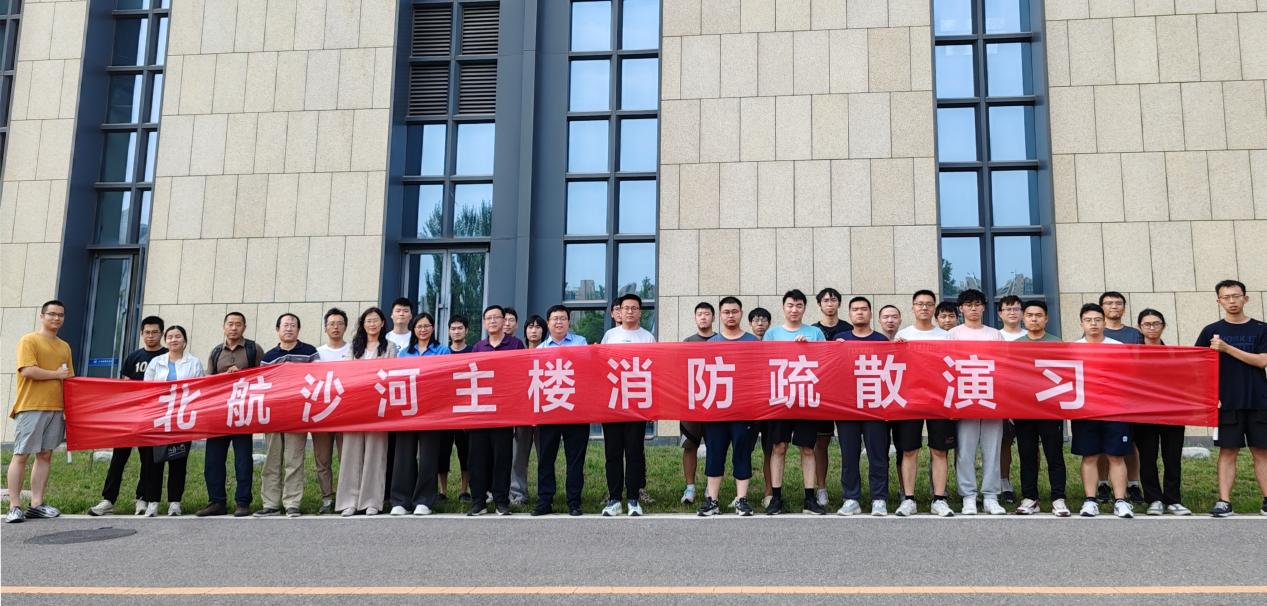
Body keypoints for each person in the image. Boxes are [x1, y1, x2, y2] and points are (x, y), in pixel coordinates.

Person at [1196, 280, 1267, 517]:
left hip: (1259, 400)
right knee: (1227, 451)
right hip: (1226, 402)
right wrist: (1209, 396)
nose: (1232, 301)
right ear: (1219, 301)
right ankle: (1224, 502)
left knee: (1262, 451)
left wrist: (1227, 349)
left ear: (1245, 298)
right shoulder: (1210, 331)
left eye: (1236, 296)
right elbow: (1198, 366)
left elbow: (1262, 361)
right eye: (1226, 297)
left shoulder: (1261, 328)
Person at [89, 316, 166, 517]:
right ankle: (108, 499)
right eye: (147, 332)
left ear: (161, 334)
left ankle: (143, 498)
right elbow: (125, 384)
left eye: (155, 332)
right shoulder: (133, 357)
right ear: (141, 334)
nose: (151, 336)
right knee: (118, 458)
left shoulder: (166, 357)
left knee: (148, 460)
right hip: (130, 416)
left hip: (153, 416)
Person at [761, 289, 827, 515]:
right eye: (790, 305)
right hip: (780, 399)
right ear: (783, 307)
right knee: (778, 447)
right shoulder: (772, 334)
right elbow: (765, 362)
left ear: (805, 308)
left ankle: (809, 498)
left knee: (807, 448)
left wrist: (808, 349)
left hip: (806, 398)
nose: (794, 310)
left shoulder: (815, 333)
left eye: (799, 305)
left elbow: (826, 361)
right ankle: (776, 497)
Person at [6, 300, 73, 523]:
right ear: (42, 316)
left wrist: (69, 408)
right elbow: (28, 370)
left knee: (45, 455)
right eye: (52, 314)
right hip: (31, 406)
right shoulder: (29, 340)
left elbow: (69, 379)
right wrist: (56, 374)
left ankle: (36, 504)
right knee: (21, 455)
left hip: (56, 407)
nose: (56, 318)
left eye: (60, 315)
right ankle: (14, 506)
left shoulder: (64, 346)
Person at [892, 290, 955, 517]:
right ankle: (909, 498)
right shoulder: (903, 335)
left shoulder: (946, 336)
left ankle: (939, 499)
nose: (924, 308)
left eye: (929, 304)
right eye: (920, 304)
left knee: (939, 450)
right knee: (909, 450)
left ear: (934, 308)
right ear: (913, 307)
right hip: (910, 399)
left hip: (940, 398)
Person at [947, 289, 1007, 515]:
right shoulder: (953, 334)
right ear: (961, 308)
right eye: (968, 305)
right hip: (964, 397)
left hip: (991, 397)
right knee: (965, 449)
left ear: (983, 307)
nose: (973, 308)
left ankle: (991, 495)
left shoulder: (995, 334)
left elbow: (1004, 366)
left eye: (977, 304)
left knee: (992, 448)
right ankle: (968, 496)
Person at [1071, 303, 1133, 518]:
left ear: (1104, 322)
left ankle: (1121, 501)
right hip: (1085, 410)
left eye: (1097, 320)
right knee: (1089, 456)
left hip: (1115, 410)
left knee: (1116, 456)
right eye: (1088, 320)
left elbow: (1128, 378)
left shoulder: (1117, 347)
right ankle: (1090, 500)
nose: (1093, 324)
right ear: (1081, 323)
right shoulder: (1073, 348)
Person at [698, 296, 759, 517]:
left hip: (744, 410)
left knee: (742, 453)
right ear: (720, 315)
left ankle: (742, 500)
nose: (730, 315)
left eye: (734, 311)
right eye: (726, 312)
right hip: (717, 411)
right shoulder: (711, 344)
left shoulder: (753, 342)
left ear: (741, 313)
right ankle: (712, 501)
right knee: (715, 453)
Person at [196, 311, 261, 517]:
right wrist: (225, 377)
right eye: (230, 324)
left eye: (238, 324)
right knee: (213, 460)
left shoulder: (253, 349)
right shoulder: (216, 352)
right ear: (224, 327)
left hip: (243, 412)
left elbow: (263, 377)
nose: (234, 328)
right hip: (218, 413)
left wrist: (242, 376)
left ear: (244, 327)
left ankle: (243, 502)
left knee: (243, 460)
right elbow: (208, 381)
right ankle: (216, 501)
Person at [256, 313, 319, 518]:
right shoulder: (269, 356)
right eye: (285, 325)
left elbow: (318, 378)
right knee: (271, 461)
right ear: (278, 330)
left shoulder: (309, 352)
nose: (289, 328)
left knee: (294, 460)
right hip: (274, 415)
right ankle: (270, 504)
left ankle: (292, 503)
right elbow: (262, 385)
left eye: (293, 325)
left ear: (298, 330)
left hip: (298, 414)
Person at [337, 307, 398, 516]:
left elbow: (392, 373)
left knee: (376, 453)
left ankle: (372, 501)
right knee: (350, 453)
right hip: (355, 406)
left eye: (375, 320)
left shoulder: (390, 347)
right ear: (363, 325)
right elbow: (346, 373)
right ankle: (349, 501)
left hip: (379, 407)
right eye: (368, 321)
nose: (372, 324)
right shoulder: (353, 347)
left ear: (382, 324)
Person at [834, 296, 891, 516]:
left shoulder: (881, 340)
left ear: (870, 313)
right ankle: (851, 498)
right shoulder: (840, 340)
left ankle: (879, 498)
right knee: (849, 454)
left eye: (864, 309)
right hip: (846, 406)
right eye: (855, 309)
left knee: (878, 454)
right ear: (849, 314)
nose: (860, 312)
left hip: (874, 405)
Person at [600, 293, 656, 517]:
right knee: (612, 453)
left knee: (634, 452)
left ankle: (633, 498)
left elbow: (654, 370)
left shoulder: (647, 337)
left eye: (634, 308)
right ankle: (614, 499)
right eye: (626, 308)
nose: (630, 311)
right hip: (612, 402)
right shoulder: (610, 335)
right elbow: (600, 366)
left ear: (640, 312)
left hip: (636, 403)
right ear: (619, 312)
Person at [1012, 300, 1069, 516]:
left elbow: (1066, 375)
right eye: (1029, 315)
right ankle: (1030, 498)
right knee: (1027, 454)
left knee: (1054, 454)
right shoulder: (1015, 345)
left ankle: (1058, 498)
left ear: (1046, 319)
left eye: (1038, 315)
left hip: (1050, 408)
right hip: (1024, 409)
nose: (1034, 319)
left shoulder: (1057, 344)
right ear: (1023, 318)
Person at [391, 312, 452, 516]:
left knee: (428, 456)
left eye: (427, 326)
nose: (423, 329)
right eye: (419, 326)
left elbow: (445, 378)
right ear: (413, 329)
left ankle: (424, 500)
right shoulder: (403, 353)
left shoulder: (443, 351)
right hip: (407, 411)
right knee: (403, 456)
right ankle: (401, 500)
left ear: (433, 328)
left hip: (432, 411)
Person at [139, 325, 203, 517]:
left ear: (185, 341)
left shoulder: (194, 362)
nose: (174, 340)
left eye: (178, 336)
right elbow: (146, 389)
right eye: (170, 337)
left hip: (182, 419)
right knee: (154, 462)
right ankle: (153, 502)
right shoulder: (156, 362)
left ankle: (175, 502)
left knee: (178, 461)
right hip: (158, 419)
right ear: (166, 341)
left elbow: (199, 388)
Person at [467, 305, 525, 516]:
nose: (492, 321)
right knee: (477, 458)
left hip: (503, 411)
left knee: (502, 457)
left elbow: (521, 374)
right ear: (484, 323)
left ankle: (501, 501)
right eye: (488, 318)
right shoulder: (478, 347)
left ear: (504, 321)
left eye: (496, 317)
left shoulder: (516, 345)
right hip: (480, 411)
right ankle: (478, 501)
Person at [1133, 309, 1191, 516]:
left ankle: (1173, 499)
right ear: (1140, 327)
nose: (1152, 328)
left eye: (1156, 323)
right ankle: (1154, 499)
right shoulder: (1131, 355)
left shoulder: (1175, 354)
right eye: (1147, 324)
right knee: (1148, 458)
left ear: (1163, 326)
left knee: (1172, 457)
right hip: (1143, 414)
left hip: (1172, 413)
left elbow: (1186, 382)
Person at [535, 305, 590, 516]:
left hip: (576, 410)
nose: (559, 322)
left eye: (563, 318)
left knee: (575, 459)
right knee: (545, 458)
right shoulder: (540, 350)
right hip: (549, 410)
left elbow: (586, 369)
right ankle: (544, 501)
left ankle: (574, 501)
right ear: (548, 323)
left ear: (569, 322)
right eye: (555, 319)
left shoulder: (580, 343)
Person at [1098, 291, 1146, 505]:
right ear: (1101, 308)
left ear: (1124, 308)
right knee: (1101, 444)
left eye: (1118, 303)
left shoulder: (1134, 334)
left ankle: (1133, 484)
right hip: (1100, 395)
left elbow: (1141, 363)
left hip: (1127, 395)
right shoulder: (1095, 331)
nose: (1114, 306)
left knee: (1130, 442)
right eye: (1109, 303)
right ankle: (1103, 484)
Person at [679, 301, 718, 505]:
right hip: (692, 404)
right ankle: (690, 487)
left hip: (716, 403)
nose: (703, 317)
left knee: (715, 446)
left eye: (707, 314)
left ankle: (711, 488)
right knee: (689, 445)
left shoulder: (721, 341)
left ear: (713, 317)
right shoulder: (687, 342)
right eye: (700, 314)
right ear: (695, 318)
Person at [809, 288, 844, 508]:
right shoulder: (812, 331)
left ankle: (850, 489)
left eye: (833, 300)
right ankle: (821, 489)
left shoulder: (848, 329)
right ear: (819, 305)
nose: (830, 303)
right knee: (820, 442)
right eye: (825, 300)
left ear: (839, 303)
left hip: (845, 393)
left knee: (848, 443)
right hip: (821, 394)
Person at [314, 308, 350, 514]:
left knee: (347, 457)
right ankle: (327, 498)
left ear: (345, 327)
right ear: (325, 328)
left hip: (346, 412)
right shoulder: (316, 353)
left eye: (339, 323)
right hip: (322, 413)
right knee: (322, 458)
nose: (335, 327)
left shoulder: (354, 350)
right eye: (331, 324)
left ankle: (346, 497)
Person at [509, 314, 547, 507]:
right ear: (525, 331)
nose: (534, 330)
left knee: (544, 456)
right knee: (518, 456)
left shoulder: (550, 353)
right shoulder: (517, 354)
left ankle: (544, 493)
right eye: (530, 327)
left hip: (545, 412)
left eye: (538, 327)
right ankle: (518, 493)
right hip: (522, 412)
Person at [440, 314, 473, 502]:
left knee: (465, 452)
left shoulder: (473, 351)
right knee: (442, 451)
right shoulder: (442, 353)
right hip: (444, 410)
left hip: (465, 409)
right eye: (453, 328)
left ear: (466, 330)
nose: (456, 331)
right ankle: (442, 491)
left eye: (460, 328)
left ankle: (464, 490)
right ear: (449, 331)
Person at [995, 295, 1025, 503]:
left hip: (1028, 398)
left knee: (1029, 443)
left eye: (1016, 309)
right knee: (1004, 441)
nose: (1012, 312)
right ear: (1000, 314)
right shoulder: (995, 336)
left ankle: (1029, 484)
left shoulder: (1031, 336)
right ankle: (1004, 482)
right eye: (1008, 309)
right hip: (1002, 396)